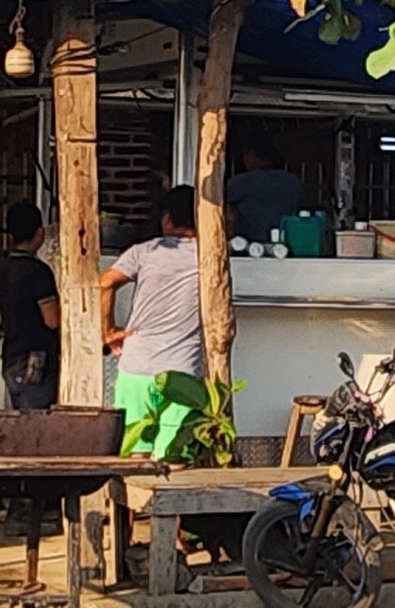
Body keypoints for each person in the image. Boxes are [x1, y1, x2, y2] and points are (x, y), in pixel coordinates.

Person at [103, 186, 209, 461]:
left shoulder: (144, 252)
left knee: (135, 455)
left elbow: (105, 283)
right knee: (173, 458)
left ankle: (138, 506)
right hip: (182, 369)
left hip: (137, 365)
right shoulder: (211, 257)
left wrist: (109, 332)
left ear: (167, 219)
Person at [0, 202, 63, 411]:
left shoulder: (3, 269)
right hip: (35, 363)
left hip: (11, 358)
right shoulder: (38, 271)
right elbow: (52, 320)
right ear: (39, 233)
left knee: (21, 418)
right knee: (36, 424)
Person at [225, 142, 307, 243]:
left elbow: (216, 201)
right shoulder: (292, 181)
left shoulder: (241, 182)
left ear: (251, 156)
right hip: (287, 244)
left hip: (249, 246)